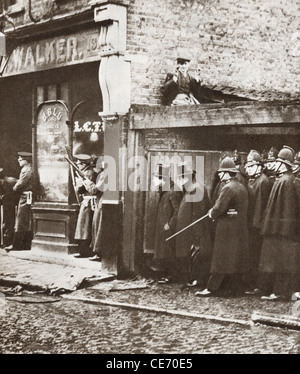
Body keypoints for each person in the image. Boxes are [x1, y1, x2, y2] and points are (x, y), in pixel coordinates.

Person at [195, 157, 249, 297]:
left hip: (226, 229)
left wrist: (211, 213)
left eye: (221, 172)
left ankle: (211, 288)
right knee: (235, 259)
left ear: (226, 173)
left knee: (221, 259)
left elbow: (219, 208)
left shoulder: (227, 188)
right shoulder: (241, 187)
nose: (219, 174)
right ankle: (237, 289)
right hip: (239, 228)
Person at [258, 146, 300, 301]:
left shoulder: (287, 181)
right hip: (280, 230)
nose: (274, 165)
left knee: (283, 263)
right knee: (279, 262)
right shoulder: (284, 180)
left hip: (283, 232)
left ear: (283, 164)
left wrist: (284, 229)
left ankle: (280, 292)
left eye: (277, 162)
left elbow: (288, 209)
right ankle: (277, 291)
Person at [175, 162, 212, 287]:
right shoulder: (191, 188)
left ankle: (198, 280)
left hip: (195, 232)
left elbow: (198, 214)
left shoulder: (196, 189)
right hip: (189, 231)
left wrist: (197, 235)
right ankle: (193, 278)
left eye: (181, 178)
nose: (179, 181)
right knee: (191, 255)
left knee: (197, 255)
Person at [148, 163, 183, 283]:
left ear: (162, 179)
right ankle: (167, 275)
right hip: (164, 228)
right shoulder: (165, 190)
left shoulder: (173, 191)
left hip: (170, 229)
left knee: (170, 252)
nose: (153, 180)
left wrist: (170, 224)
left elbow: (178, 210)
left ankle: (172, 276)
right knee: (165, 251)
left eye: (155, 178)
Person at [244, 150, 272, 294]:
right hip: (252, 224)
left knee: (256, 255)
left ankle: (256, 285)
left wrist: (254, 226)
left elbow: (260, 206)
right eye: (247, 166)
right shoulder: (254, 180)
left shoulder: (262, 182)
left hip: (256, 226)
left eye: (251, 165)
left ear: (260, 167)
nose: (248, 169)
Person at [4, 152, 33, 252]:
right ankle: (23, 244)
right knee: (24, 220)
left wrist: (14, 187)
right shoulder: (28, 168)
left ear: (26, 160)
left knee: (21, 220)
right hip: (26, 195)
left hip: (25, 196)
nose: (18, 160)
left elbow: (21, 184)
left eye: (20, 159)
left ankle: (17, 245)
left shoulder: (26, 169)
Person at [73, 154, 98, 258]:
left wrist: (78, 181)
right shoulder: (87, 172)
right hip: (87, 202)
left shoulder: (88, 173)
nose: (78, 165)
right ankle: (85, 250)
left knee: (84, 227)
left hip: (88, 203)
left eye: (79, 164)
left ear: (83, 164)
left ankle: (85, 251)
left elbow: (80, 189)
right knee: (84, 227)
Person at [0, 168, 18, 247]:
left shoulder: (9, 182)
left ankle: (7, 242)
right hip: (7, 205)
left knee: (8, 223)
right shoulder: (6, 181)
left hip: (10, 205)